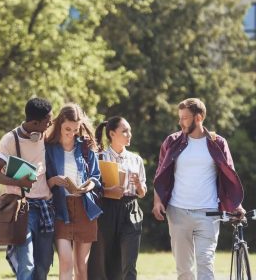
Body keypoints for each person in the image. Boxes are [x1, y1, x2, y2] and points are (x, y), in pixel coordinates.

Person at [152, 97, 245, 280]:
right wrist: (157, 201)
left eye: (185, 118)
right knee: (184, 270)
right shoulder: (172, 142)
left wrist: (237, 204)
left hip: (209, 213)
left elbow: (230, 175)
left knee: (206, 265)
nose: (180, 122)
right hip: (178, 211)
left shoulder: (217, 143)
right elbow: (160, 174)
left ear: (199, 117)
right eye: (180, 118)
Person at [0, 97, 54, 280]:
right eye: (47, 121)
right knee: (26, 263)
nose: (50, 125)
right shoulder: (10, 140)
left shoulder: (46, 136)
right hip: (21, 208)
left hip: (44, 207)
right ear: (34, 122)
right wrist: (19, 182)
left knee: (43, 265)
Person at [45, 103, 102, 280]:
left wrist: (90, 185)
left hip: (85, 208)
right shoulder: (48, 148)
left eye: (75, 129)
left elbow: (96, 176)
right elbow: (40, 181)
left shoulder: (85, 147)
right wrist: (53, 181)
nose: (71, 133)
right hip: (61, 210)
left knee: (81, 268)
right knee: (66, 262)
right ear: (59, 124)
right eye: (67, 129)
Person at [88, 116, 147, 280]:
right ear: (112, 134)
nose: (129, 134)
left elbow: (142, 192)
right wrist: (109, 191)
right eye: (125, 131)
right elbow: (94, 188)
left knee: (129, 261)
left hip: (131, 209)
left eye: (130, 131)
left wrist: (139, 185)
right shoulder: (100, 157)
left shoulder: (136, 159)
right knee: (105, 260)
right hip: (106, 209)